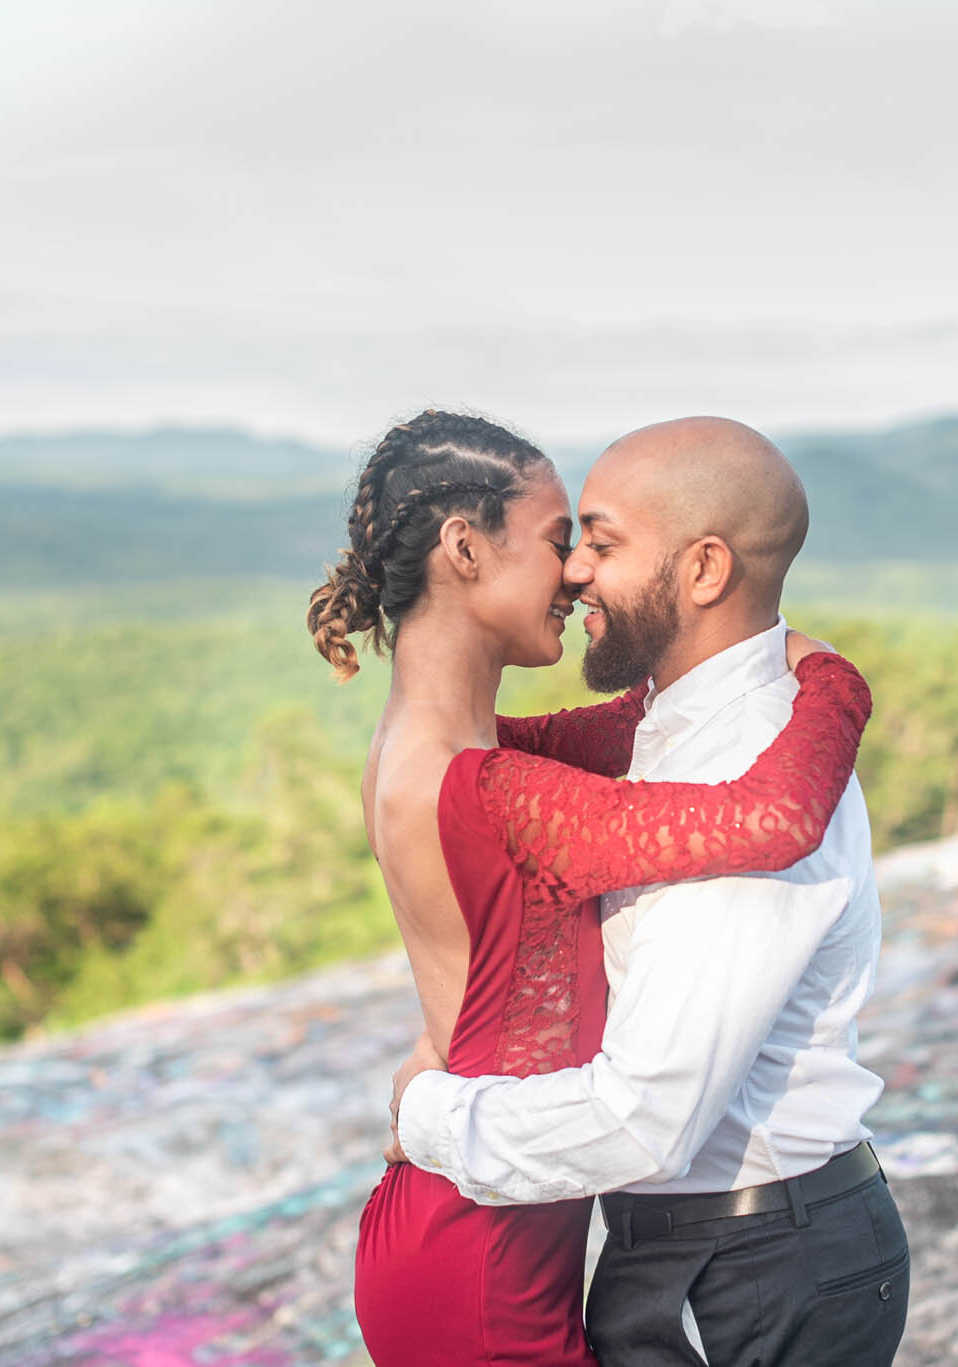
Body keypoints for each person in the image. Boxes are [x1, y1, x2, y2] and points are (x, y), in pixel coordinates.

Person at [308, 410, 875, 1366]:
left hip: (488, 1222)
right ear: (464, 550)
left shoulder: (445, 749)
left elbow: (640, 731)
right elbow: (769, 819)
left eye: (592, 543)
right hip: (480, 1242)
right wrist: (836, 681)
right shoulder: (485, 784)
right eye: (559, 540)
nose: (573, 570)